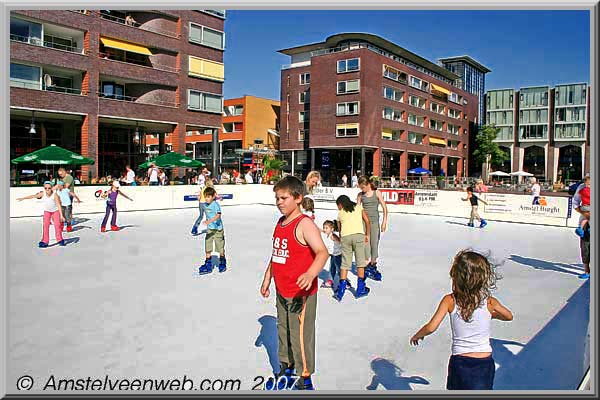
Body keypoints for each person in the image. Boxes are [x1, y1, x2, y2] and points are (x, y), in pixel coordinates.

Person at [260, 176, 328, 390]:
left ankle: (304, 376)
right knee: (283, 329)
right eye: (277, 198)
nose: (279, 202)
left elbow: (322, 252)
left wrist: (310, 274)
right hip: (283, 289)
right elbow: (277, 254)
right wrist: (267, 277)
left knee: (300, 334)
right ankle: (286, 366)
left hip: (301, 293)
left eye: (284, 198)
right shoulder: (281, 223)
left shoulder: (304, 224)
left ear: (298, 198)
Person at [410, 250, 513, 390]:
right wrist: (492, 315)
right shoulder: (490, 302)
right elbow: (508, 316)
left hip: (460, 362)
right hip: (484, 363)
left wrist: (418, 334)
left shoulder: (449, 300)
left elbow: (431, 327)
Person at [333, 194, 371, 301]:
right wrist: (367, 234)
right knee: (360, 262)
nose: (338, 208)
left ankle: (341, 291)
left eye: (338, 205)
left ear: (341, 204)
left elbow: (340, 230)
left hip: (345, 237)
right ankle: (360, 289)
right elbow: (367, 221)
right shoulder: (358, 208)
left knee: (345, 264)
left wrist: (342, 238)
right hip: (359, 236)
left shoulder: (340, 213)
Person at [356, 176, 388, 281]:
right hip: (363, 223)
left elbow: (384, 207)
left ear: (368, 184)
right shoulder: (360, 195)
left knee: (374, 244)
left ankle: (373, 265)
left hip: (374, 223)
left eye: (363, 187)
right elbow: (357, 210)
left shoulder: (376, 193)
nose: (362, 190)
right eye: (361, 188)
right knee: (365, 244)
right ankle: (365, 265)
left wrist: (384, 222)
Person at [17, 181, 66, 247]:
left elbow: (58, 205)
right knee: (45, 226)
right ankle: (45, 241)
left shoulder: (55, 195)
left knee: (57, 225)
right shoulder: (43, 194)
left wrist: (61, 215)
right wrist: (23, 198)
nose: (47, 190)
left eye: (49, 188)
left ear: (51, 188)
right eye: (45, 188)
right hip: (47, 211)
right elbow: (33, 196)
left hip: (55, 211)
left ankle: (60, 239)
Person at [198, 187, 227, 274]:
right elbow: (202, 200)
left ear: (212, 197)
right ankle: (208, 263)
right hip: (210, 229)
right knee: (208, 246)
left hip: (218, 229)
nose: (207, 198)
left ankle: (222, 261)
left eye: (208, 197)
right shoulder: (205, 204)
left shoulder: (215, 205)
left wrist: (209, 221)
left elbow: (218, 215)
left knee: (220, 247)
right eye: (206, 196)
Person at [320, 220, 342, 289]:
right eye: (324, 227)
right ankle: (330, 281)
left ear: (332, 229)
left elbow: (340, 241)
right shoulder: (328, 234)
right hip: (333, 255)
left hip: (337, 255)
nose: (324, 229)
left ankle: (344, 281)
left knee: (339, 269)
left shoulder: (333, 236)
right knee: (332, 268)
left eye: (326, 228)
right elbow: (322, 231)